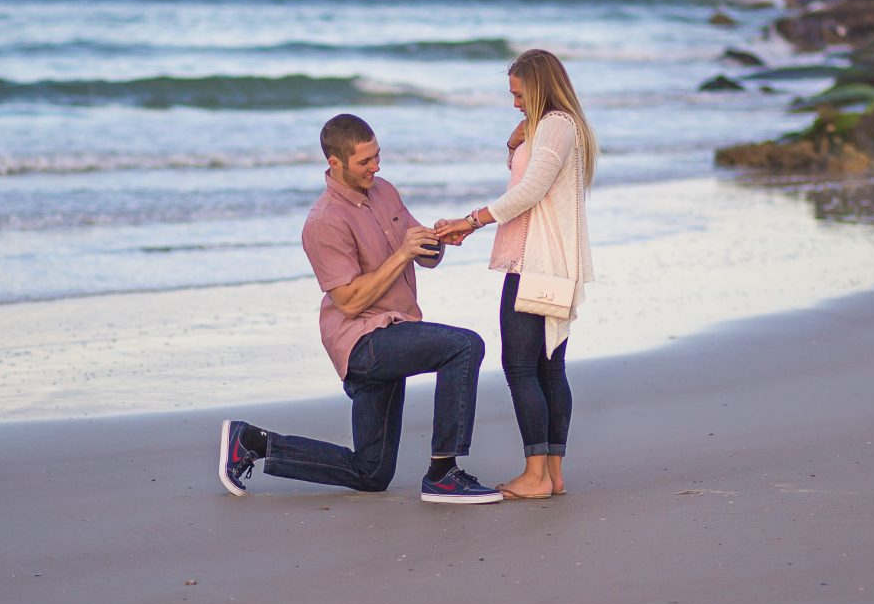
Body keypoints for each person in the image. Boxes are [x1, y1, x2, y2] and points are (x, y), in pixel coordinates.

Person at [218, 113, 502, 504]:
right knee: (464, 346)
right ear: (335, 163)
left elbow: (422, 255)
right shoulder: (324, 222)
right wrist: (403, 253)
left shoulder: (383, 190)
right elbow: (349, 301)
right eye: (365, 161)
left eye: (378, 156)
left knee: (371, 474)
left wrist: (436, 241)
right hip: (363, 342)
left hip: (397, 329)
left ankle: (251, 442)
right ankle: (443, 473)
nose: (376, 167)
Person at [437, 49, 595, 500]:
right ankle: (552, 474)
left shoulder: (556, 126)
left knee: (521, 366)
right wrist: (514, 144)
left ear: (540, 87)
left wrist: (472, 220)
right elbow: (530, 181)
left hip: (537, 262)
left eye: (519, 94)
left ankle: (535, 476)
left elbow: (529, 191)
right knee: (547, 367)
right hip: (548, 261)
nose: (514, 103)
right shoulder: (558, 128)